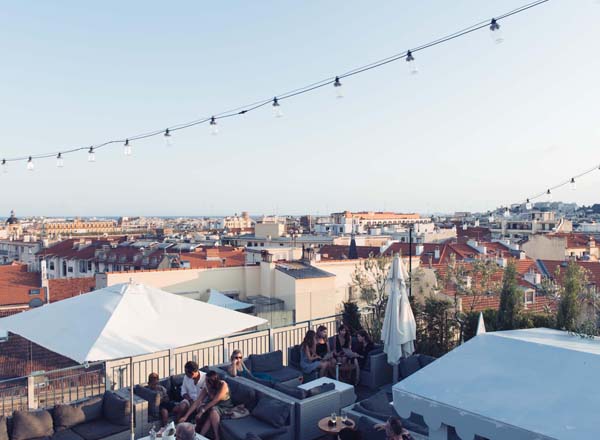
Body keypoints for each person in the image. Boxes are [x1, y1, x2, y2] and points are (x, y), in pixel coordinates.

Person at [180, 371, 233, 440]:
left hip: (224, 405)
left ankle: (217, 436)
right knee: (200, 408)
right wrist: (185, 416)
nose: (205, 383)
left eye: (207, 381)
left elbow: (215, 400)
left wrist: (202, 411)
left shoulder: (223, 385)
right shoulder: (206, 387)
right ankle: (200, 435)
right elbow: (197, 401)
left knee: (213, 411)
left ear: (212, 382)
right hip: (212, 405)